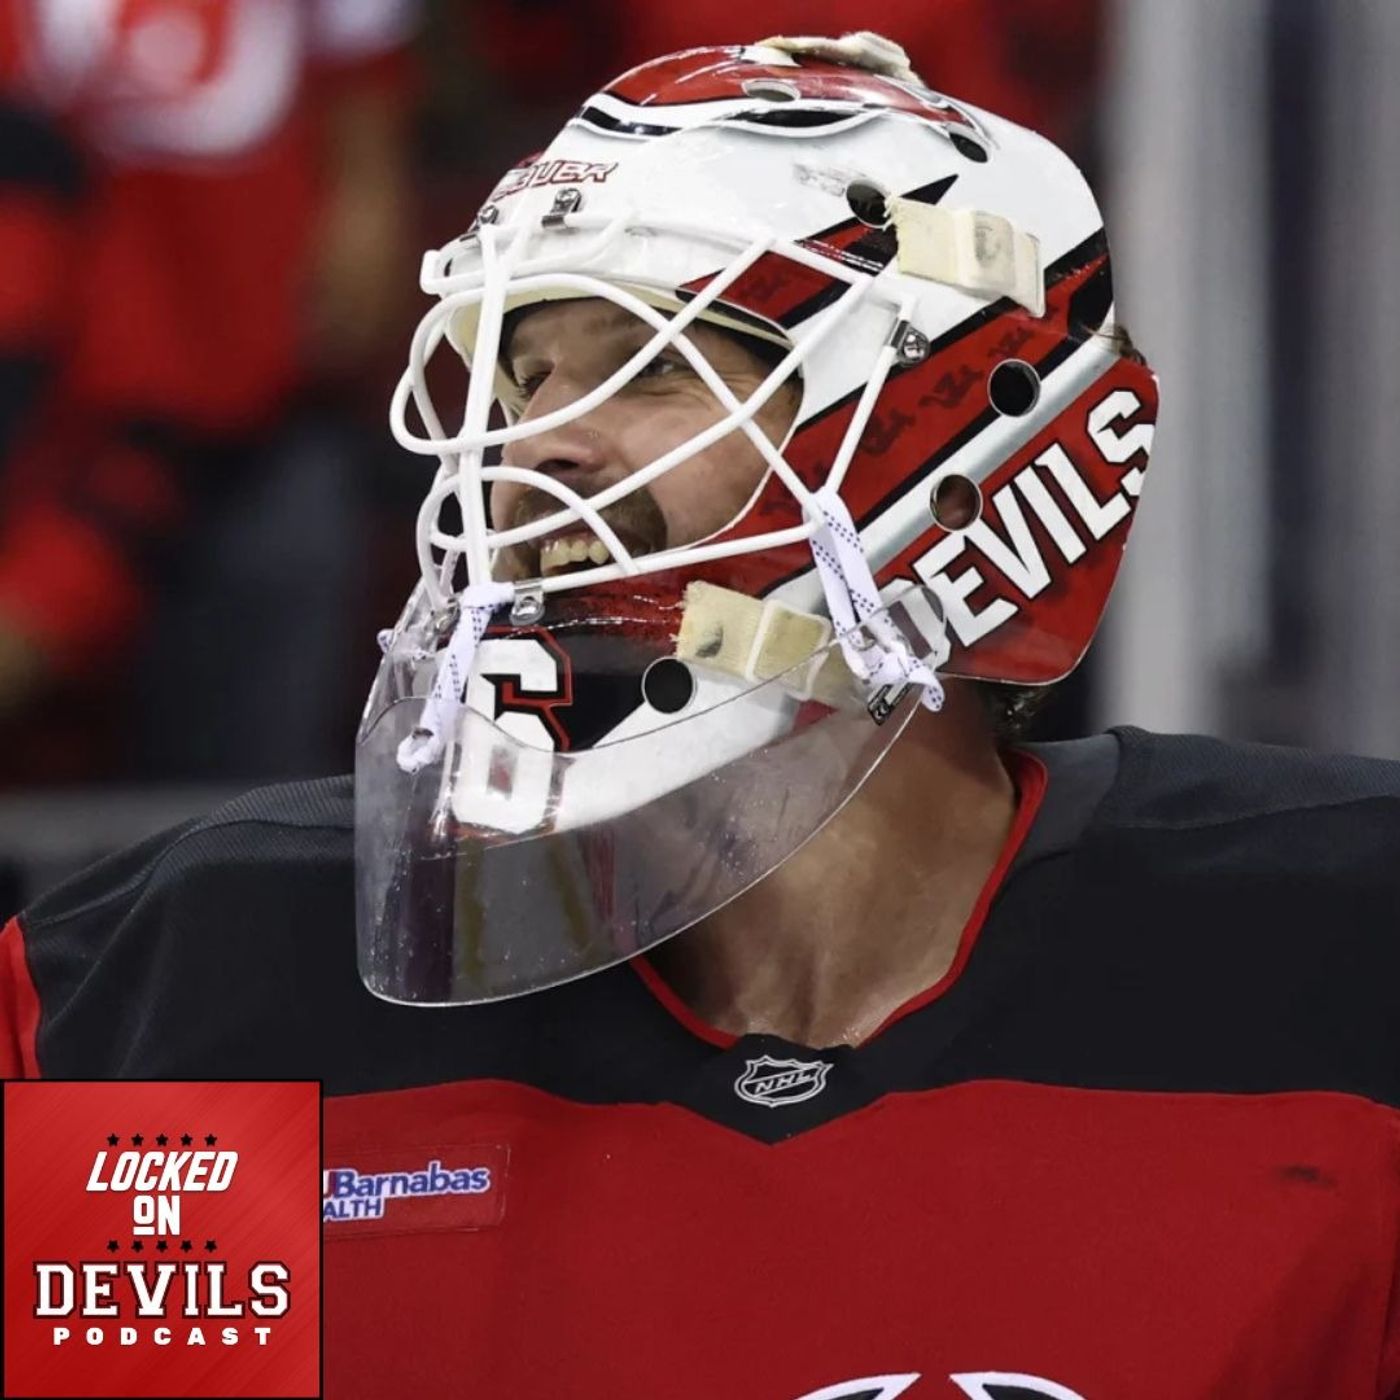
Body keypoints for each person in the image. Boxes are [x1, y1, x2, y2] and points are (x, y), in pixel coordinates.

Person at [2, 33, 1398, 1400]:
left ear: (963, 449)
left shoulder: (1336, 955)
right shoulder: (183, 989)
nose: (531, 443)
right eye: (521, 376)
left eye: (654, 362)